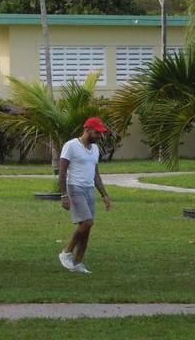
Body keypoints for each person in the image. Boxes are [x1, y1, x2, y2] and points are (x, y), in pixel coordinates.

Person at [58, 117, 112, 274]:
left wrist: (104, 195)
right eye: (97, 133)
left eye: (101, 134)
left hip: (89, 189)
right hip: (75, 187)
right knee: (87, 223)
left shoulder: (95, 149)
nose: (99, 136)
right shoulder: (71, 146)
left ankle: (78, 263)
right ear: (87, 130)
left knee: (87, 229)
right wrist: (63, 195)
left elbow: (96, 174)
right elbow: (62, 172)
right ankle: (66, 252)